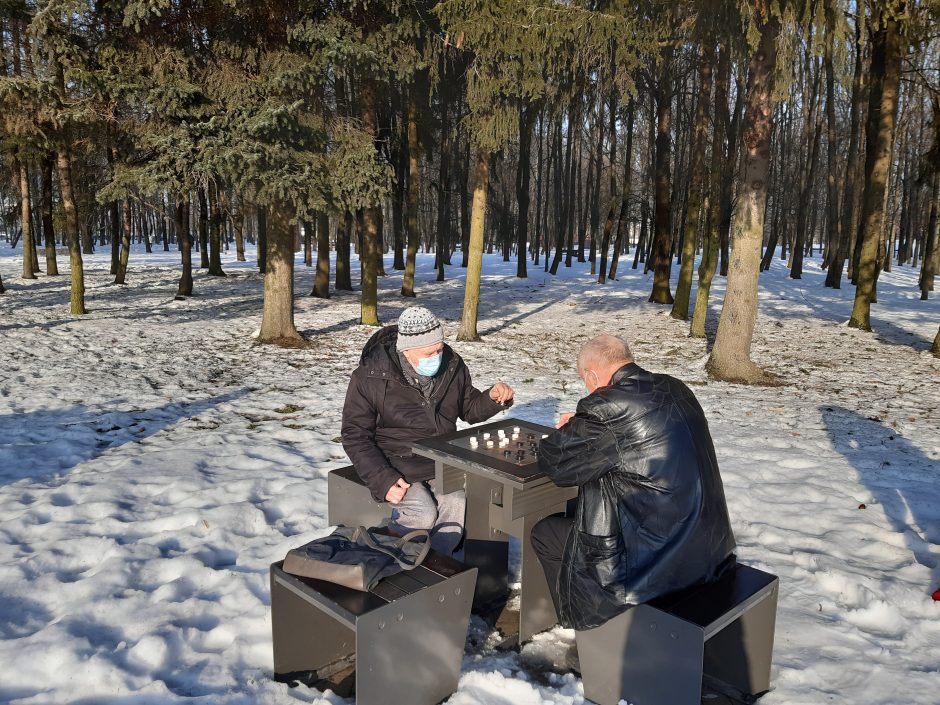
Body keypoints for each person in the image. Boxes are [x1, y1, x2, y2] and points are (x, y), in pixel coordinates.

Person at [531, 334, 736, 635]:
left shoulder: (606, 405)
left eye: (583, 379)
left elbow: (555, 464)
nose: (586, 387)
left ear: (590, 374)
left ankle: (588, 637)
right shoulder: (675, 387)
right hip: (706, 543)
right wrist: (584, 426)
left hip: (651, 559)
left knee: (545, 534)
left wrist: (572, 430)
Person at [342, 306, 514, 554]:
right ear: (406, 350)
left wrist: (493, 399)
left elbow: (469, 409)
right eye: (429, 351)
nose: (438, 355)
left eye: (440, 347)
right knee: (422, 513)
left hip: (439, 458)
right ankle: (394, 561)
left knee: (456, 504)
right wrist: (383, 479)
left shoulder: (452, 365)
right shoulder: (369, 377)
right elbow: (355, 434)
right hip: (393, 459)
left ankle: (434, 566)